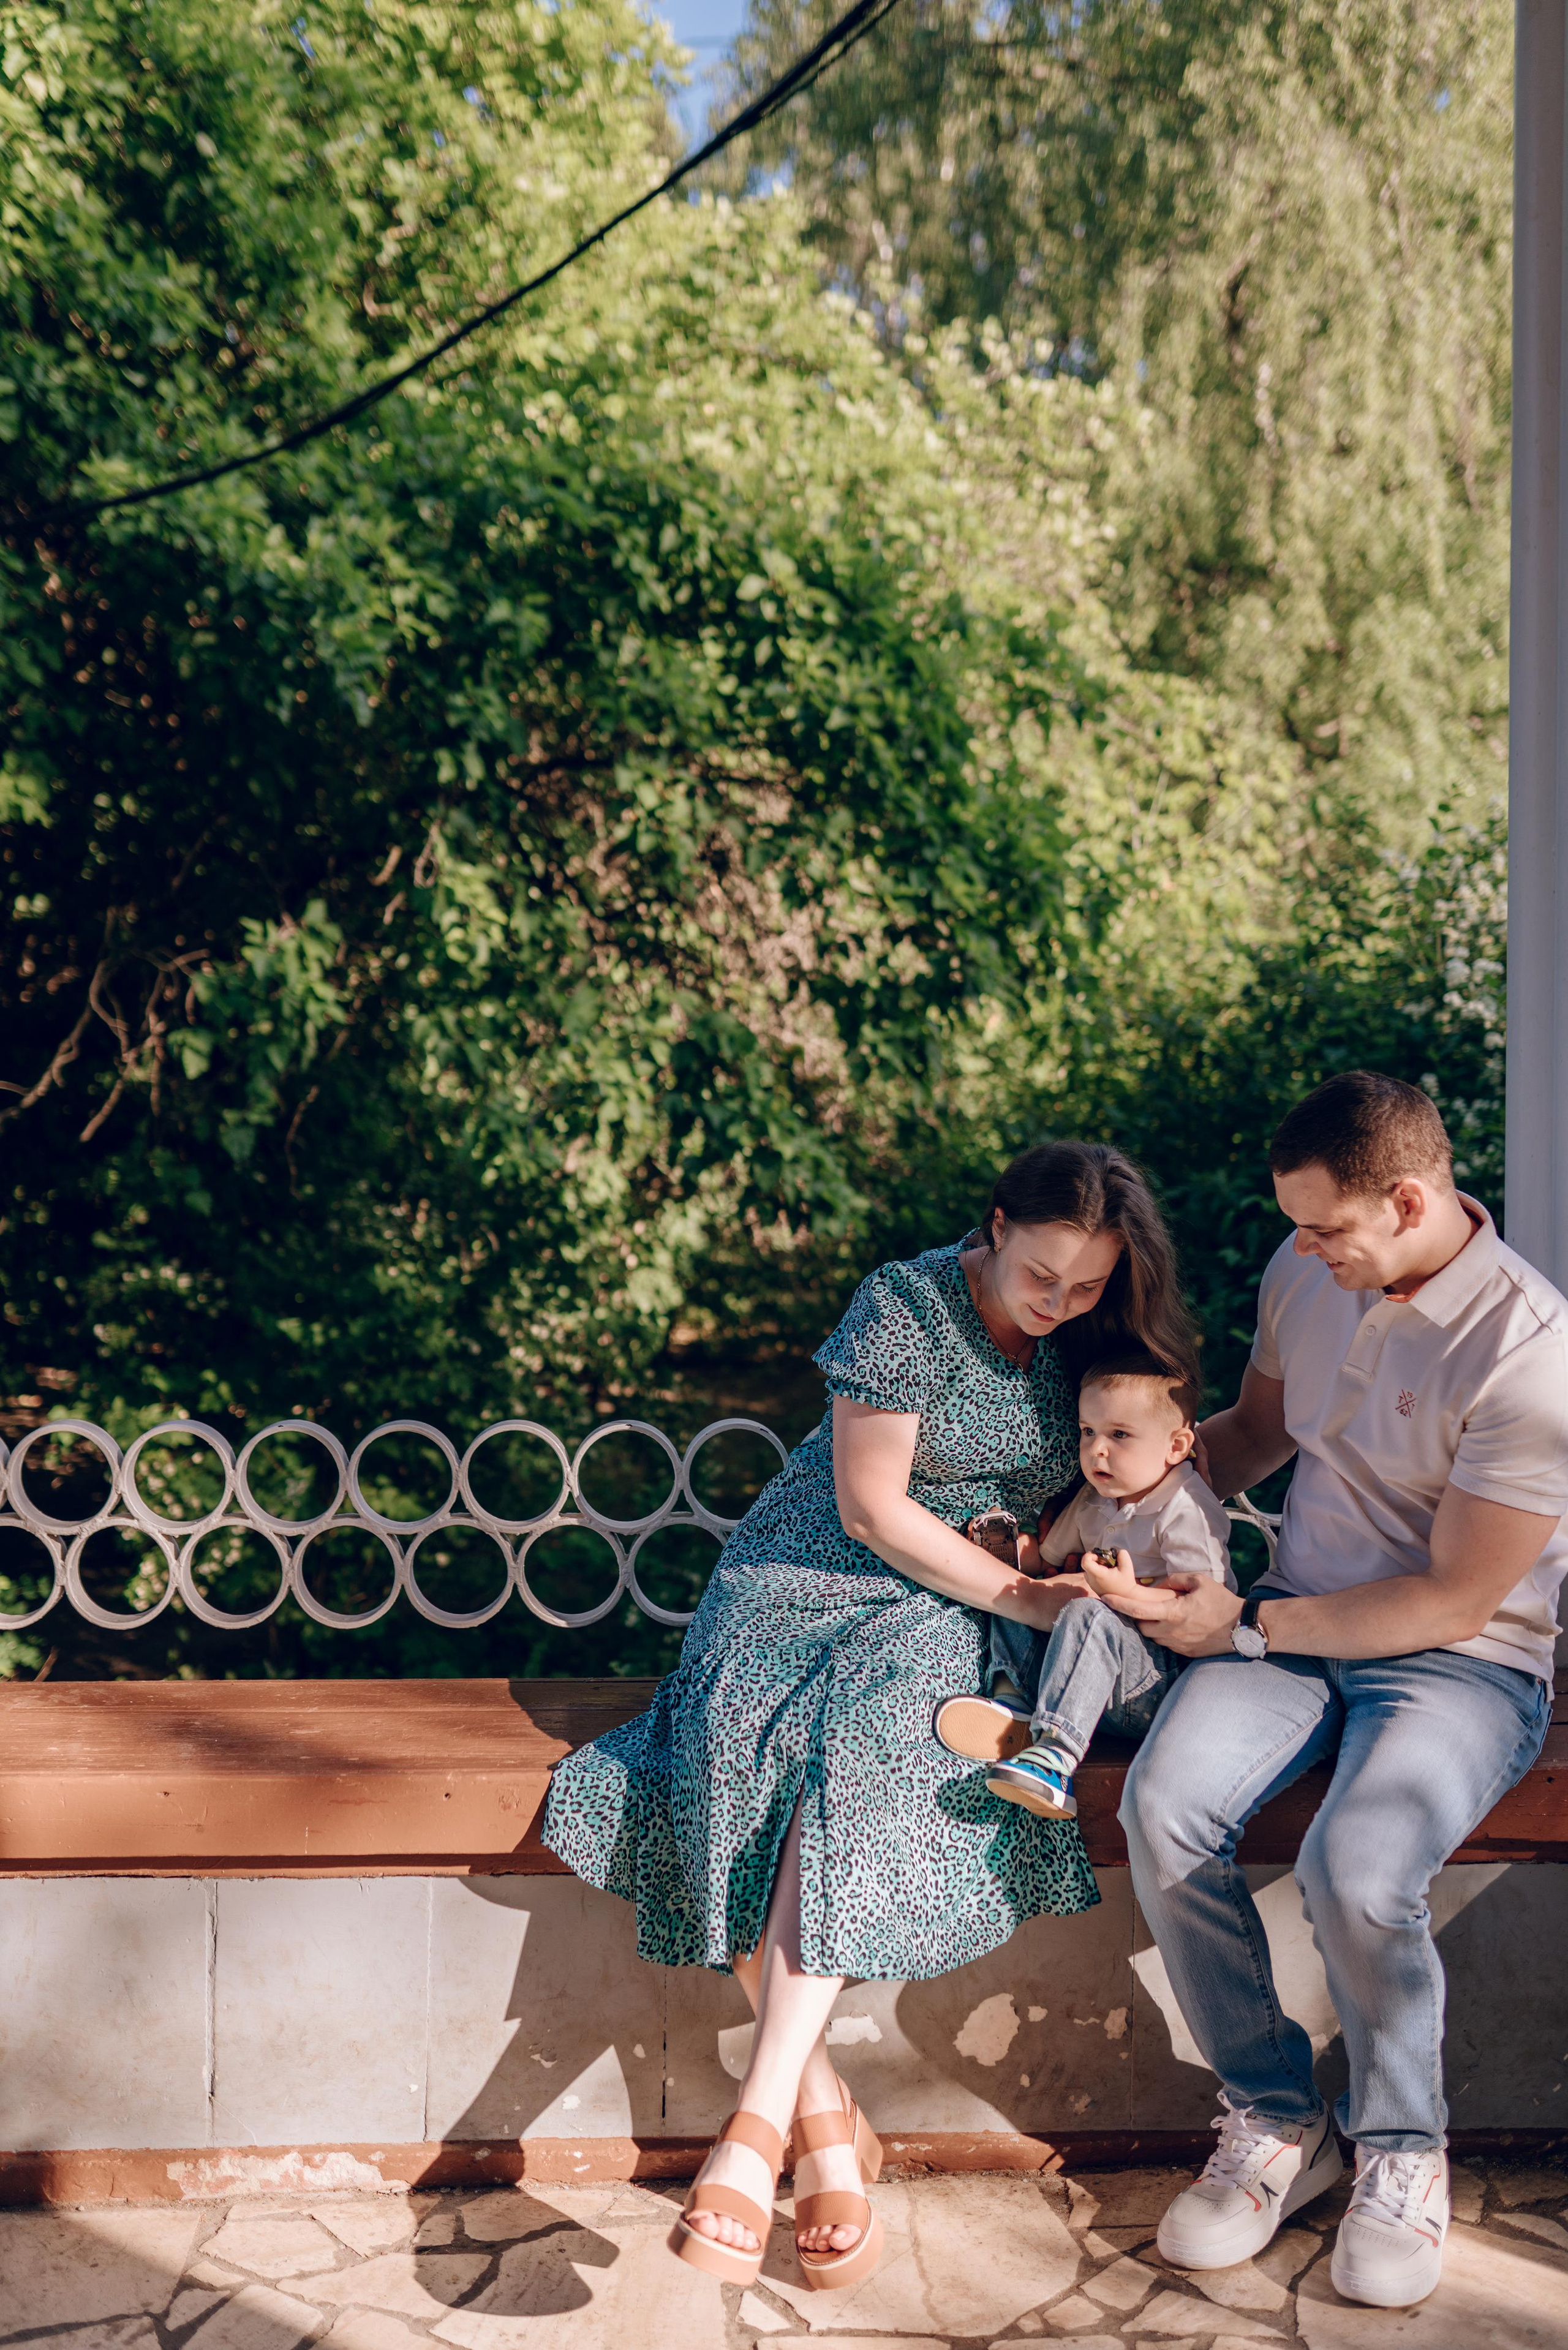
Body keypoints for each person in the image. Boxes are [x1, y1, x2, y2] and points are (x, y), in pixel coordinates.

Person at [543, 1139, 1197, 2292]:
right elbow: (870, 1507)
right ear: (997, 1225)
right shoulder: (905, 1303)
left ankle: (765, 2128)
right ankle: (812, 2119)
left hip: (951, 1601)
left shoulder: (1097, 1338)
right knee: (735, 1743)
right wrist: (1029, 1595)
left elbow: (1168, 1448)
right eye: (1042, 1275)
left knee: (866, 1746)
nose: (1059, 1303)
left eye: (1087, 1283)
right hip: (814, 1566)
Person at [1087, 1072, 1568, 2311]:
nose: (1302, 1248)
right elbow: (1252, 1434)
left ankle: (1401, 2146)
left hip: (1464, 1659)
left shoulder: (1530, 1349)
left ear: (1406, 1200)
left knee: (1355, 1865)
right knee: (1162, 1808)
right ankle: (1273, 2114)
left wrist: (1242, 1623)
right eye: (1295, 1225)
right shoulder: (1306, 1272)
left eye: (1324, 1226)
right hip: (1294, 1622)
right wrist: (1115, 1498)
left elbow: (1453, 1599)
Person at [933, 1353, 1234, 1820]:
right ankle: (1013, 1702)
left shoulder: (1186, 1507)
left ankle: (1054, 1758)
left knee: (1089, 1612)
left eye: (1119, 1435)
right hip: (1083, 1679)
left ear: (1176, 1446)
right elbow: (1047, 1560)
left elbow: (1207, 1608)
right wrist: (1004, 1551)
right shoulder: (1094, 1499)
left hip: (1157, 1685)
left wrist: (1127, 1593)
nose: (1097, 1450)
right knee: (1012, 1588)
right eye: (1088, 1431)